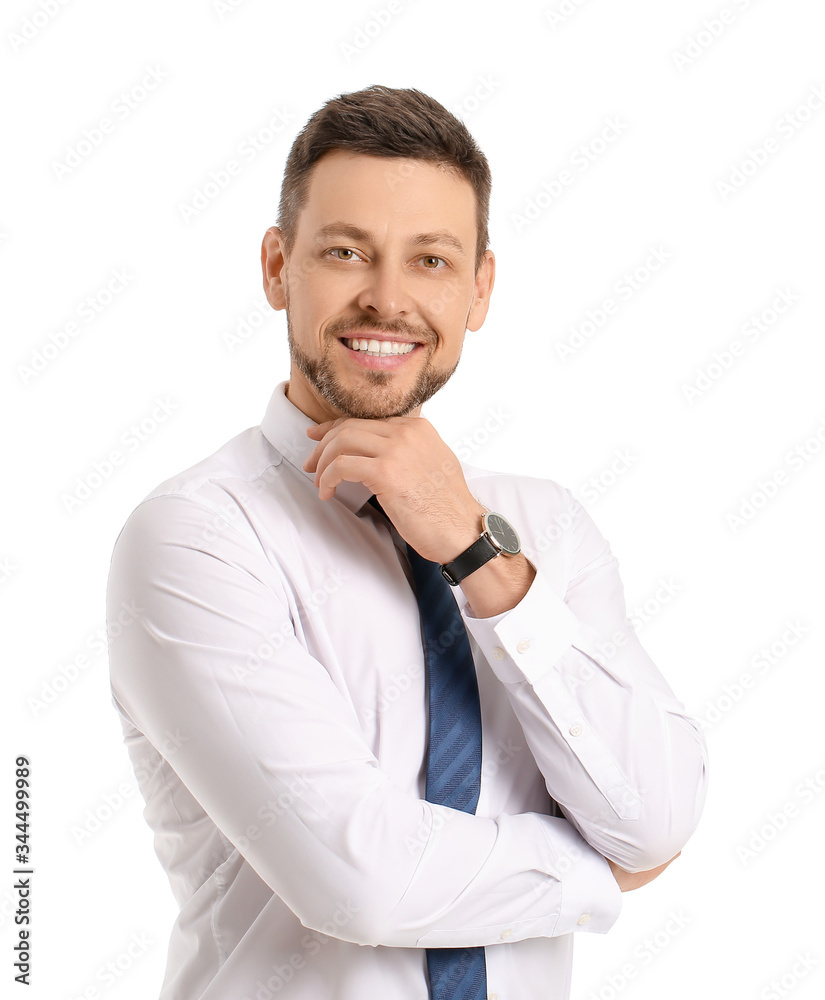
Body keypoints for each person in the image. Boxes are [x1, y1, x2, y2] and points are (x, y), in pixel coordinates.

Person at [106, 85, 708, 1000]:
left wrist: (475, 552)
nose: (387, 299)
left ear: (479, 290)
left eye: (430, 259)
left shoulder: (543, 531)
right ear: (277, 267)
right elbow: (362, 879)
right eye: (346, 252)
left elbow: (656, 815)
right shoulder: (194, 537)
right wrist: (596, 871)